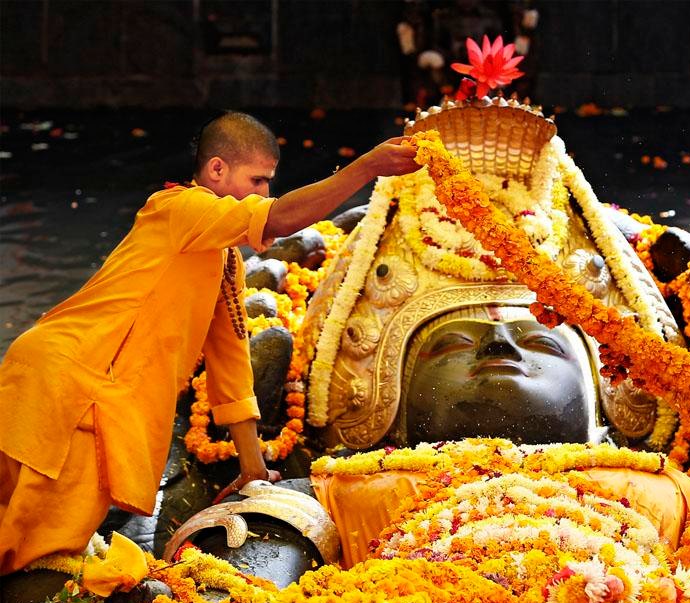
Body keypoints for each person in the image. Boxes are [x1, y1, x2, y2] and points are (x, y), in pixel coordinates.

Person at [0, 111, 421, 575]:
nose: (264, 194)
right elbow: (278, 219)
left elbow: (231, 363)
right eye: (257, 181)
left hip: (86, 392)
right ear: (217, 170)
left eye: (268, 184)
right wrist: (365, 168)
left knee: (44, 545)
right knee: (33, 556)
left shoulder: (223, 260)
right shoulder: (177, 208)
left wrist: (252, 468)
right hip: (69, 385)